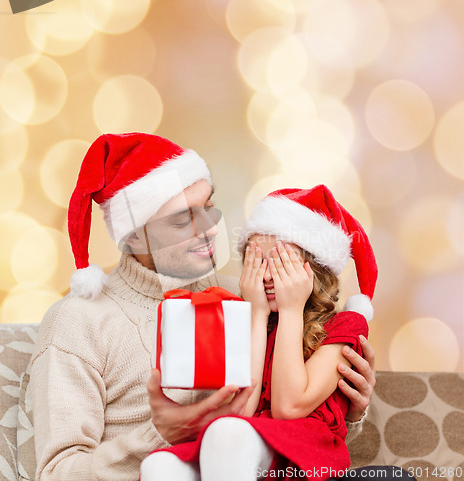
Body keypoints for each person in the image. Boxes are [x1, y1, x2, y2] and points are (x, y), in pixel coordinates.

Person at [30, 134, 375, 481]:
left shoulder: (249, 294)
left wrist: (348, 405)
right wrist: (160, 435)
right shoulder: (77, 322)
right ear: (133, 236)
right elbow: (57, 474)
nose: (210, 230)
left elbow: (288, 421)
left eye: (209, 207)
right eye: (183, 220)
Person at [140, 185, 378, 480]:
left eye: (279, 262)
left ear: (314, 268)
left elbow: (288, 407)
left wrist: (292, 310)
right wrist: (256, 313)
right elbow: (243, 409)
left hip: (302, 454)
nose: (266, 275)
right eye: (256, 262)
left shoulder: (344, 325)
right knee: (158, 465)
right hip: (245, 447)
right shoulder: (250, 320)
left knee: (227, 432)